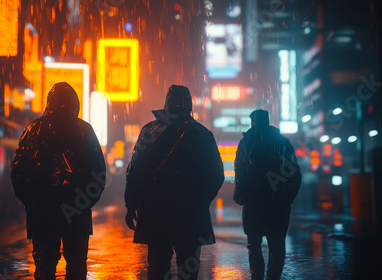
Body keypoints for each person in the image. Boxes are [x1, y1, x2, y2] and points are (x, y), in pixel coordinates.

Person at [125, 85, 225, 280]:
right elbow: (216, 175)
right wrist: (201, 201)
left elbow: (135, 170)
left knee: (157, 266)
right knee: (188, 266)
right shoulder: (202, 134)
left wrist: (131, 205)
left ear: (166, 103)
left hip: (156, 212)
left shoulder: (149, 131)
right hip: (190, 213)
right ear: (189, 105)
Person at [11, 82, 105, 280]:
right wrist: (83, 203)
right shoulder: (84, 130)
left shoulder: (33, 129)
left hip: (42, 213)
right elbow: (98, 173)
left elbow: (18, 172)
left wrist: (33, 203)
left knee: (44, 267)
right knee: (77, 266)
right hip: (77, 213)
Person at [233, 109, 302, 280]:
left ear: (253, 122)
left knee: (254, 244)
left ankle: (257, 276)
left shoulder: (246, 142)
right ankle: (273, 277)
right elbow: (295, 172)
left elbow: (240, 171)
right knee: (277, 244)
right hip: (278, 202)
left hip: (254, 202)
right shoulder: (283, 143)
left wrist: (241, 193)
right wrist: (288, 197)